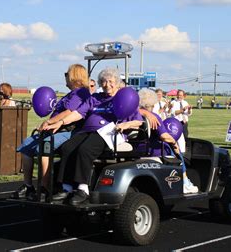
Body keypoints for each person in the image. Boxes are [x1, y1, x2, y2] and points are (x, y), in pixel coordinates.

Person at [46, 68, 143, 205]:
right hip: (87, 131)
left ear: (117, 83)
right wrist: (60, 122)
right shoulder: (95, 98)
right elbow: (78, 113)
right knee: (67, 148)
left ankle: (82, 189)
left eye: (111, 81)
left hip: (108, 132)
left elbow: (138, 121)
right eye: (103, 81)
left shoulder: (122, 98)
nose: (107, 84)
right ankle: (66, 188)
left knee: (84, 150)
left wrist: (125, 126)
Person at [12, 64, 91, 200]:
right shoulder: (69, 94)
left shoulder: (81, 93)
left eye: (67, 74)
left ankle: (44, 188)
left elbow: (69, 112)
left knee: (45, 147)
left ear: (75, 76)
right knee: (26, 145)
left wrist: (49, 122)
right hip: (55, 129)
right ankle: (28, 186)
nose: (65, 76)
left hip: (68, 130)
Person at [138, 88, 199, 193]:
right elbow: (164, 136)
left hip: (138, 148)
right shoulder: (154, 116)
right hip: (154, 149)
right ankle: (185, 182)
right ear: (153, 103)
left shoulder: (133, 115)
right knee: (176, 151)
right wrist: (175, 143)